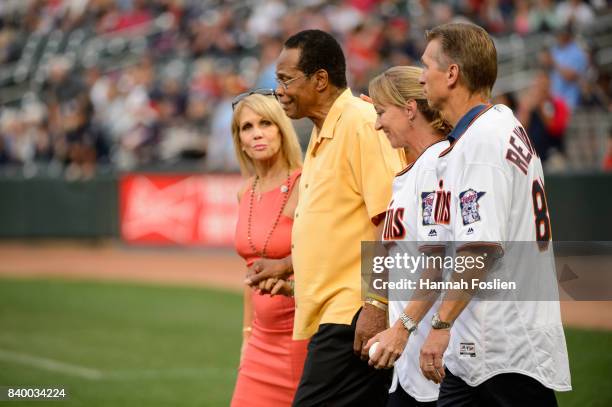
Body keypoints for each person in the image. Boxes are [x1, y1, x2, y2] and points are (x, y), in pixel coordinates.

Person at [416, 22, 571, 406]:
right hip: (494, 343)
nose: (421, 77)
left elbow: (480, 247)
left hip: (503, 345)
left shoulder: (483, 139)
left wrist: (440, 324)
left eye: (426, 66)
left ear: (452, 73)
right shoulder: (500, 125)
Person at [247, 29, 404, 406]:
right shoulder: (323, 133)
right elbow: (339, 227)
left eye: (286, 79)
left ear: (320, 79)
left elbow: (391, 222)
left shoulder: (362, 122)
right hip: (335, 313)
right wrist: (288, 266)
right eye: (277, 81)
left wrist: (376, 305)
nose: (279, 91)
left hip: (353, 312)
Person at [364, 66, 452, 407]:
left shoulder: (436, 168)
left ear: (411, 109)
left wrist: (401, 327)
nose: (376, 124)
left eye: (381, 112)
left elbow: (440, 263)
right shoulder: (417, 170)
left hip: (436, 362)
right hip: (410, 364)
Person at [230, 91, 308, 407]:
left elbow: (324, 259)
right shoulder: (244, 191)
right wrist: (247, 335)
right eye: (247, 127)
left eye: (266, 123)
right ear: (240, 140)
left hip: (301, 337)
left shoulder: (306, 184)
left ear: (281, 128)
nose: (257, 132)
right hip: (261, 341)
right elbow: (249, 273)